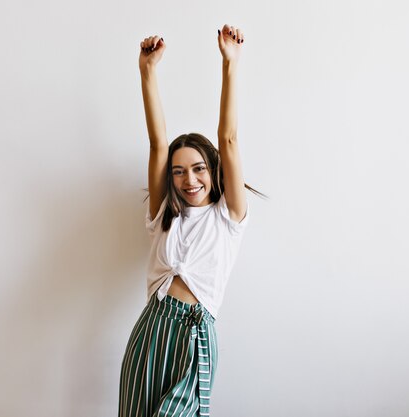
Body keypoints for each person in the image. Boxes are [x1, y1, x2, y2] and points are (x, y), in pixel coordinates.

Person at [118, 24, 258, 417]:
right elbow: (158, 143)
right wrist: (147, 71)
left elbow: (228, 138)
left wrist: (230, 64)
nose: (189, 179)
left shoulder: (229, 217)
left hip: (195, 333)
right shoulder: (164, 214)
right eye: (178, 172)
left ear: (212, 170)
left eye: (198, 169)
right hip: (151, 330)